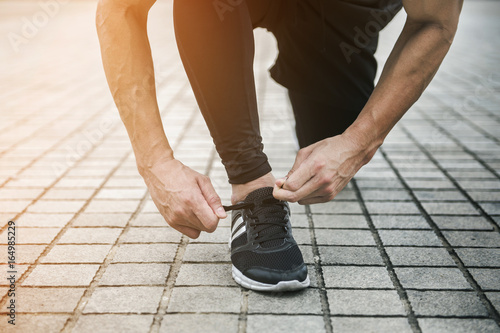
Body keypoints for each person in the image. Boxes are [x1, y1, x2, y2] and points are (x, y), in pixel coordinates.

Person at [96, 0, 463, 291]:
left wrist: (356, 144)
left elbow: (435, 20)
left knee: (331, 129)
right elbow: (121, 7)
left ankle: (316, 78)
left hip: (341, 19)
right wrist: (155, 162)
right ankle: (252, 188)